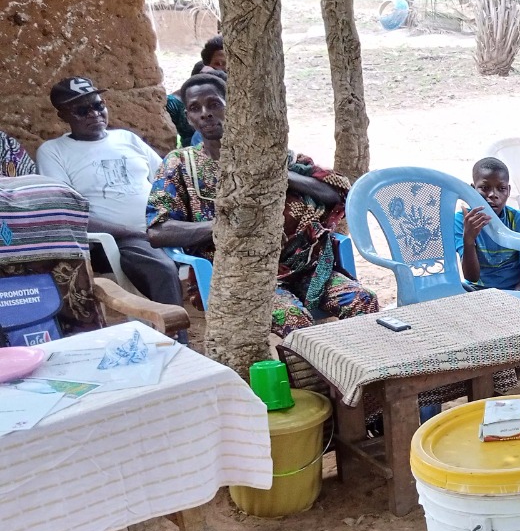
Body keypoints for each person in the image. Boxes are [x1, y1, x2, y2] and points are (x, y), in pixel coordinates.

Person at [146, 73, 379, 336]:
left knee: (362, 300)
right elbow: (157, 230)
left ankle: (364, 371)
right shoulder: (179, 165)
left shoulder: (275, 154)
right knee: (292, 321)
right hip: (239, 276)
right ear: (188, 118)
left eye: (214, 104)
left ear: (232, 106)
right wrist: (226, 227)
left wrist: (277, 174)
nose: (205, 114)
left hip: (305, 268)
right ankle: (307, 378)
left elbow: (335, 192)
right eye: (195, 108)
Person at [35, 76, 184, 308]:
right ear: (63, 116)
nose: (94, 114)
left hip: (163, 226)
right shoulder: (54, 151)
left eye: (98, 105)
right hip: (118, 240)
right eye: (82, 110)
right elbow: (67, 212)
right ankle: (175, 338)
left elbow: (167, 178)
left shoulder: (127, 138)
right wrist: (132, 232)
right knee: (162, 269)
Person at [456, 157, 520, 291]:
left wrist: (516, 299)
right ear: (472, 190)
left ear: (508, 191)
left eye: (501, 188)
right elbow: (472, 277)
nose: (493, 194)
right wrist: (469, 240)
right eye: (484, 188)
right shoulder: (463, 221)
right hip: (476, 290)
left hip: (513, 291)